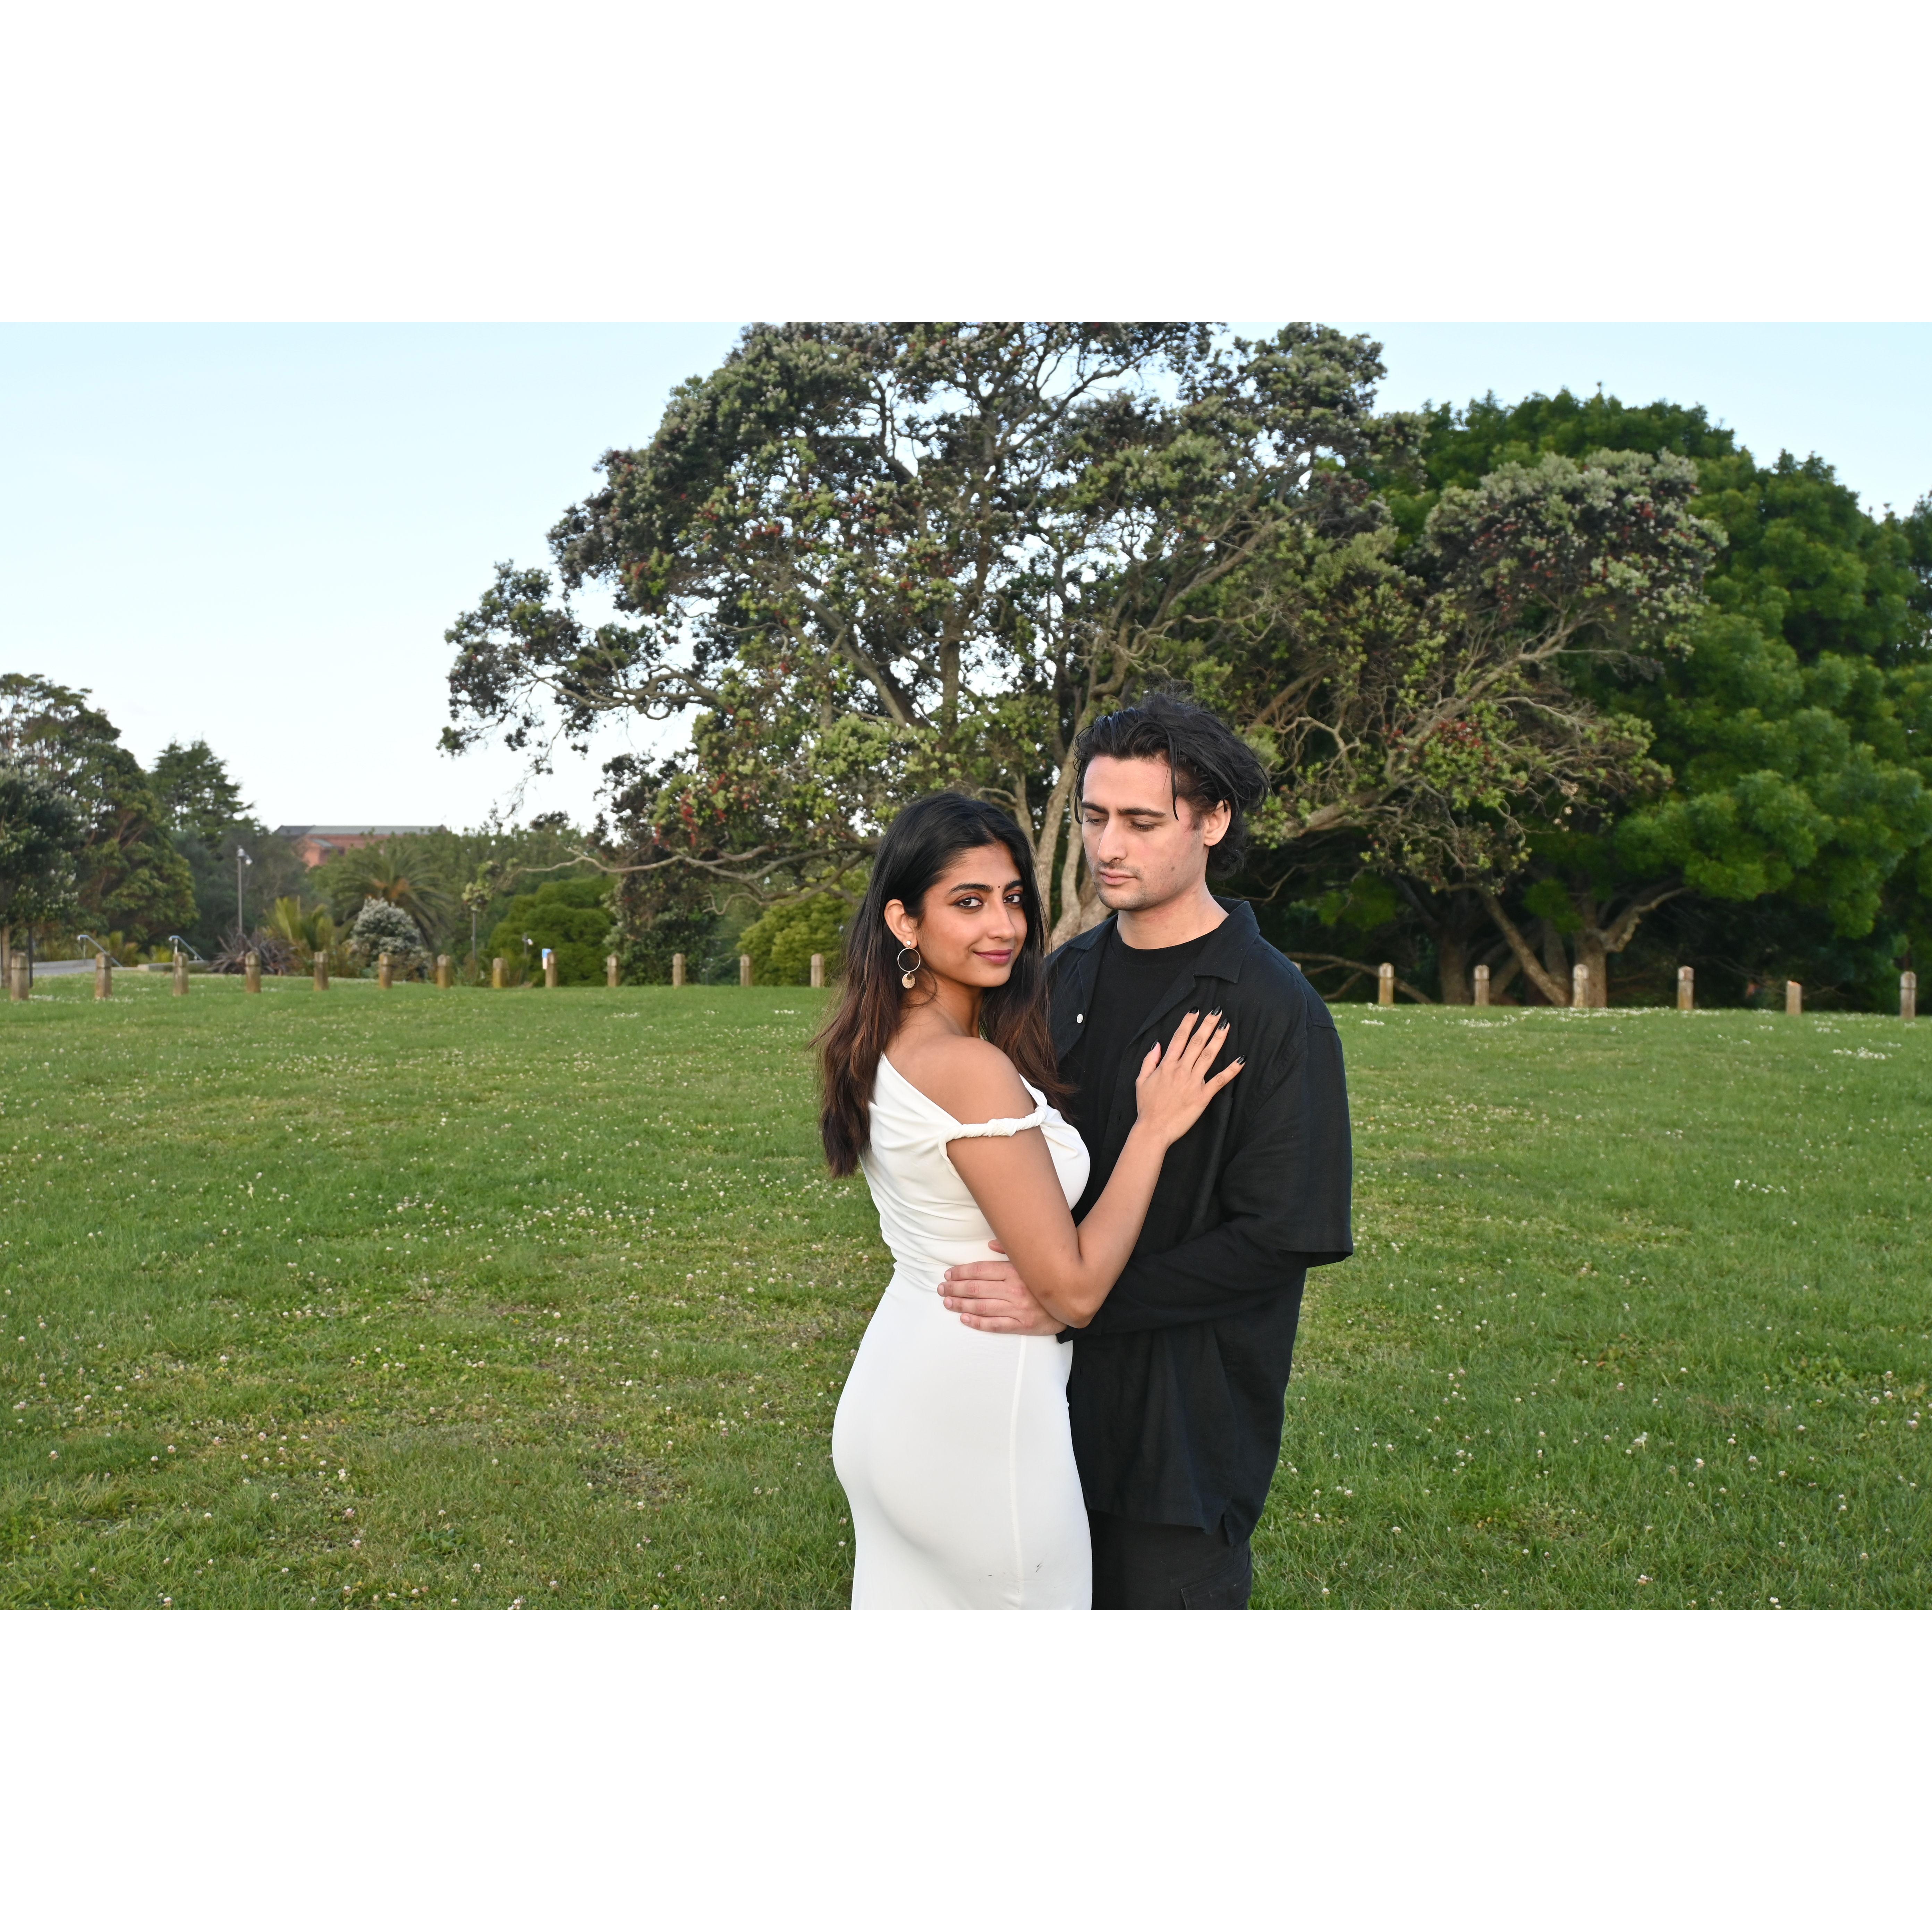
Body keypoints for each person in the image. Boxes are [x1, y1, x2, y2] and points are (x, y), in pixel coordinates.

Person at [939, 694, 1354, 1609]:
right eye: (1094, 818)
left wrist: (1072, 1303)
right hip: (1032, 1414)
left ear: (1213, 821)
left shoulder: (1275, 1009)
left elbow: (1282, 1236)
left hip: (1181, 1445)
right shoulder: (1058, 979)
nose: (1109, 847)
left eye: (1141, 821)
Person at [822, 791, 1242, 1609]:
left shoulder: (884, 1042)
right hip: (984, 1416)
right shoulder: (969, 1069)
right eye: (968, 902)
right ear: (905, 921)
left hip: (894, 1398)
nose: (1004, 927)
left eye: (1013, 898)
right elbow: (1074, 1292)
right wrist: (1153, 1131)